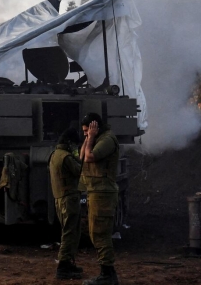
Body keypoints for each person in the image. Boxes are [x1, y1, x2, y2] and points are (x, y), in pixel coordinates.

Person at [79, 113, 120, 285]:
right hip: (95, 192)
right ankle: (106, 273)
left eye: (87, 130)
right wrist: (89, 137)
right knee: (95, 233)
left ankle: (108, 275)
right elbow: (82, 155)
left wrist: (91, 137)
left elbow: (89, 157)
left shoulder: (107, 140)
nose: (85, 134)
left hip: (103, 193)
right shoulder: (95, 138)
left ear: (96, 127)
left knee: (101, 234)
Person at [49, 125, 83, 280]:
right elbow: (80, 170)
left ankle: (68, 263)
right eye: (74, 144)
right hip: (69, 198)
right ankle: (63, 266)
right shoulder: (66, 157)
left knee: (68, 231)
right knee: (70, 233)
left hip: (60, 198)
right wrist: (77, 154)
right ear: (69, 142)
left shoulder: (55, 154)